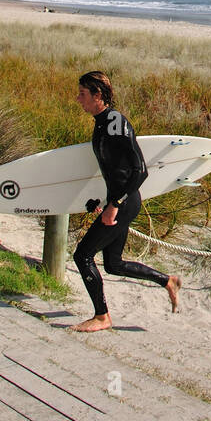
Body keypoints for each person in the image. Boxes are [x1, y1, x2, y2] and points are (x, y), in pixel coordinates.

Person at [70, 70, 180, 332]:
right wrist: (101, 200)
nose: (78, 99)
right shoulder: (101, 122)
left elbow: (140, 171)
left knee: (82, 256)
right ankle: (168, 281)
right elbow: (113, 170)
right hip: (117, 201)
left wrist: (114, 205)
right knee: (113, 264)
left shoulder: (115, 122)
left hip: (125, 203)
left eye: (83, 94)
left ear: (98, 95)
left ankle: (102, 317)